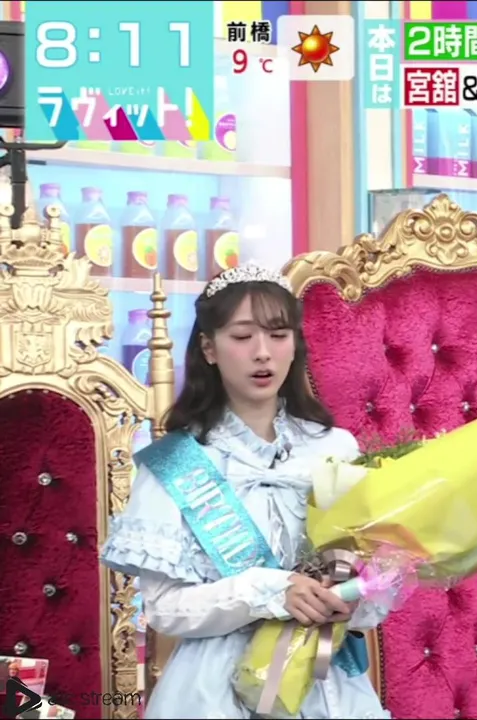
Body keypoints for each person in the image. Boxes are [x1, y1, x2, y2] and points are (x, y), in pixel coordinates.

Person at [100, 264, 389, 719]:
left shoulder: (336, 449)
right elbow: (163, 611)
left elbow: (375, 577)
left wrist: (350, 596)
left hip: (324, 680)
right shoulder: (177, 462)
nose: (262, 353)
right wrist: (268, 591)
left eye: (278, 335)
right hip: (214, 691)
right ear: (208, 348)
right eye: (242, 336)